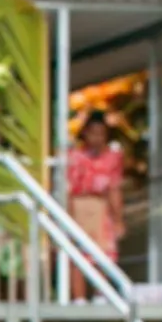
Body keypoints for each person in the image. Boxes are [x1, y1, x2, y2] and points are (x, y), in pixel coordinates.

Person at [65, 109, 125, 292]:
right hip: (78, 205)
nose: (97, 139)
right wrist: (68, 216)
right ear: (85, 133)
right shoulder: (74, 157)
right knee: (78, 252)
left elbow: (114, 189)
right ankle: (79, 297)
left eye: (101, 134)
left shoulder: (112, 158)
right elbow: (67, 189)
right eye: (93, 133)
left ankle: (101, 294)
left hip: (102, 207)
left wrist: (118, 220)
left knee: (103, 253)